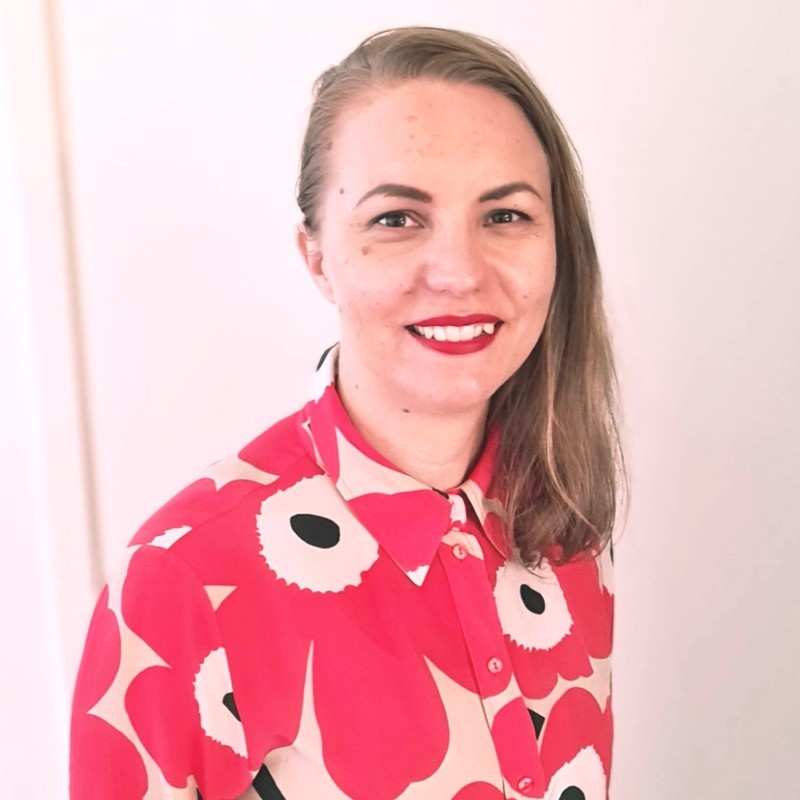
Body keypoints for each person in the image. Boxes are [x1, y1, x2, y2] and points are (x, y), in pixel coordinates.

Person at [70, 26, 622, 800]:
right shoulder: (179, 583)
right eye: (397, 219)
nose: (460, 273)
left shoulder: (565, 525)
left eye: (505, 216)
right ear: (318, 258)